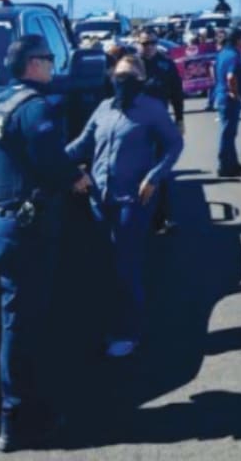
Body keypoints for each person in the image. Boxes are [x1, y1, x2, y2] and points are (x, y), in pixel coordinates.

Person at [0, 35, 93, 452]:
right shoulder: (35, 107)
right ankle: (18, 419)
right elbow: (49, 159)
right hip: (26, 228)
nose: (52, 65)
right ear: (32, 64)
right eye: (48, 58)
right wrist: (76, 178)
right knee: (21, 328)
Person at [67, 55, 183, 358]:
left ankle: (128, 331)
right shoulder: (104, 108)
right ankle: (105, 324)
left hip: (132, 199)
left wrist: (154, 177)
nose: (122, 83)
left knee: (126, 265)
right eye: (118, 76)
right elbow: (81, 145)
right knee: (102, 263)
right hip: (99, 198)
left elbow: (174, 144)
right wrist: (53, 161)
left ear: (141, 81)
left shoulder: (152, 109)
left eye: (129, 77)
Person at [137, 30, 186, 233]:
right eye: (145, 43)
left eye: (152, 43)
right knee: (136, 169)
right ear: (138, 44)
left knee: (160, 171)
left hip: (160, 124)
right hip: (136, 125)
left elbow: (177, 93)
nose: (149, 47)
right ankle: (138, 216)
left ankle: (162, 217)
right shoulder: (132, 65)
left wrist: (180, 118)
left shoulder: (166, 65)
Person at [213, 28, 241, 176]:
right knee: (228, 132)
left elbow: (213, 71)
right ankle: (224, 165)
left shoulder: (223, 53)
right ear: (237, 39)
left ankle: (232, 163)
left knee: (230, 132)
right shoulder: (233, 55)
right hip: (229, 99)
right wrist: (235, 93)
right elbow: (231, 76)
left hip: (222, 95)